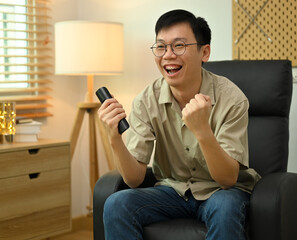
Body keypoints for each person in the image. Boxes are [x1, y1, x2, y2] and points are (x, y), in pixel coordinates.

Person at [97, 9, 261, 240]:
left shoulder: (232, 99)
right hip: (171, 191)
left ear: (204, 52)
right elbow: (133, 179)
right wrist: (114, 138)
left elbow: (227, 179)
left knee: (226, 208)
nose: (168, 55)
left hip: (221, 192)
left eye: (179, 46)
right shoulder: (147, 99)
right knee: (117, 203)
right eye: (161, 47)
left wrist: (202, 130)